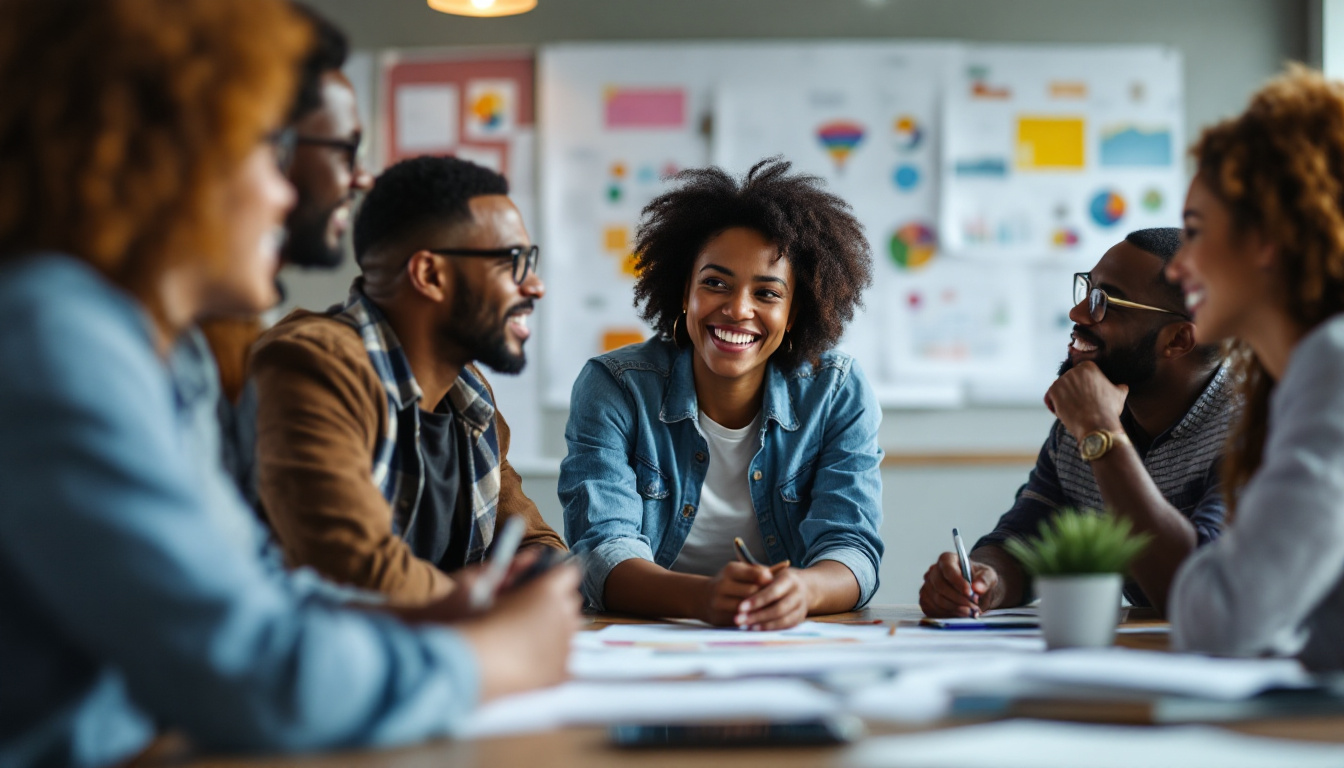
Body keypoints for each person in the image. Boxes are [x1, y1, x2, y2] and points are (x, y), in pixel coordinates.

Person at [0, 2, 579, 765]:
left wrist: (437, 616)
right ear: (169, 156)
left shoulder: (171, 358)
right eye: (264, 151)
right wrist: (492, 660)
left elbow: (256, 589)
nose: (284, 195)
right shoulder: (54, 339)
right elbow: (252, 669)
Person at [561, 158, 884, 631]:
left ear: (795, 312)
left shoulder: (836, 391)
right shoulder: (615, 386)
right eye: (715, 284)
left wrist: (802, 590)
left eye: (768, 294)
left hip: (783, 644)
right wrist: (705, 598)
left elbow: (851, 547)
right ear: (683, 291)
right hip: (643, 644)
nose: (737, 310)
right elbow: (601, 552)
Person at [247, 155, 564, 603]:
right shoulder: (310, 366)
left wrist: (540, 580)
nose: (535, 286)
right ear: (430, 275)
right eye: (512, 262)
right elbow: (356, 572)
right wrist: (485, 599)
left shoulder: (467, 396)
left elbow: (536, 546)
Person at [919, 228, 1231, 619]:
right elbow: (1023, 540)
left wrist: (1101, 432)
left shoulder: (1255, 427)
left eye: (1105, 301)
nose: (1078, 313)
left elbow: (1196, 593)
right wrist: (984, 582)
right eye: (1087, 289)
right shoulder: (1087, 418)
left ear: (1178, 340)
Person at [1166, 66, 1344, 671]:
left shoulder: (1334, 364)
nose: (1177, 266)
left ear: (1267, 236)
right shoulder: (1292, 377)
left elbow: (1224, 615)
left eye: (1194, 232)